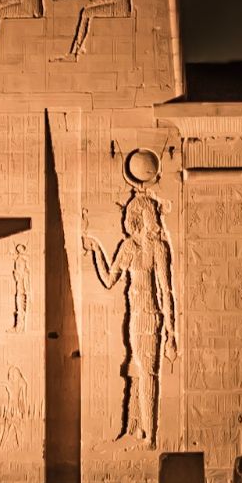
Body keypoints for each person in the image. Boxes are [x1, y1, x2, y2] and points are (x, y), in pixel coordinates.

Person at [85, 188, 176, 445]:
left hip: (149, 317)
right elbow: (109, 279)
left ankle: (151, 436)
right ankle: (137, 426)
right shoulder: (129, 247)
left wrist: (171, 332)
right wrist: (96, 249)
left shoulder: (157, 248)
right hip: (136, 317)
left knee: (148, 374)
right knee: (138, 371)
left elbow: (165, 291)